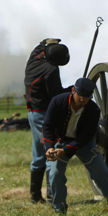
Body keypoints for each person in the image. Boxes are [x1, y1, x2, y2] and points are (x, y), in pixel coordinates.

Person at [43, 78, 108, 215]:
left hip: (84, 144)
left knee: (102, 173)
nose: (82, 99)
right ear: (73, 91)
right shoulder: (57, 101)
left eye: (86, 97)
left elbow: (85, 137)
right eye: (80, 95)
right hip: (61, 140)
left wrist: (65, 150)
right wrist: (50, 148)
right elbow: (48, 127)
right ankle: (59, 210)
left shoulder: (93, 110)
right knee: (55, 173)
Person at [24, 38, 72, 204]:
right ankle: (53, 197)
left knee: (38, 153)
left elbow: (41, 43)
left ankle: (35, 196)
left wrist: (49, 41)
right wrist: (72, 90)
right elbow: (56, 95)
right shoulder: (50, 70)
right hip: (44, 115)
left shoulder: (35, 56)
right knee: (52, 150)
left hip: (33, 112)